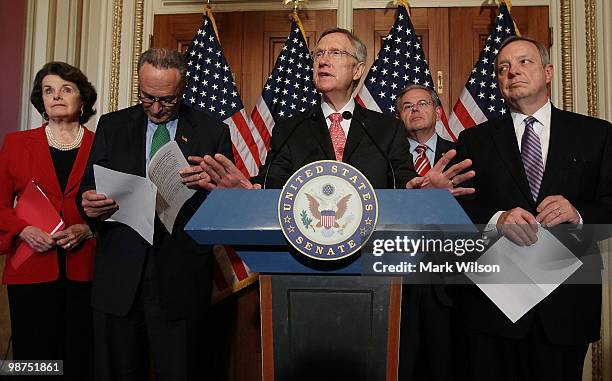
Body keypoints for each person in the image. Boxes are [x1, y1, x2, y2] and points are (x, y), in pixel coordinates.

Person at [454, 36, 612, 380]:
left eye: (524, 62)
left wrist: (579, 214)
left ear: (548, 71)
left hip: (567, 304)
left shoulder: (597, 135)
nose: (513, 72)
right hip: (495, 305)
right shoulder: (472, 140)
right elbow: (456, 209)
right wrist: (497, 219)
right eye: (503, 68)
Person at [78, 48, 233, 381]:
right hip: (119, 278)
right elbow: (88, 190)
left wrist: (211, 188)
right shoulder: (113, 125)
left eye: (167, 100)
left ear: (183, 89)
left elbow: (225, 208)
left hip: (180, 279)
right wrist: (88, 205)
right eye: (147, 98)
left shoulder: (212, 131)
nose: (157, 109)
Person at [197, 28, 474, 194]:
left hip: (371, 254)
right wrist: (247, 191)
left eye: (335, 54)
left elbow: (402, 181)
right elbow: (272, 182)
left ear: (357, 70)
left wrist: (422, 191)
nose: (323, 61)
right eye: (318, 54)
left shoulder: (386, 129)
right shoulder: (290, 128)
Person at [0, 61, 97, 380]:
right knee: (32, 360)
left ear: (82, 100)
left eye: (66, 89)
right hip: (30, 267)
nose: (56, 96)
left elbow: (122, 202)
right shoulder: (16, 143)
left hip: (86, 268)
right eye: (48, 90)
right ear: (40, 100)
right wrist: (23, 229)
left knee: (81, 357)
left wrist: (88, 228)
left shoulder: (101, 144)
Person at [395, 84, 456, 381]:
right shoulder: (388, 160)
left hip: (447, 284)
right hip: (396, 279)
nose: (415, 110)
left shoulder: (460, 154)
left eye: (422, 104)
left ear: (437, 111)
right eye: (407, 106)